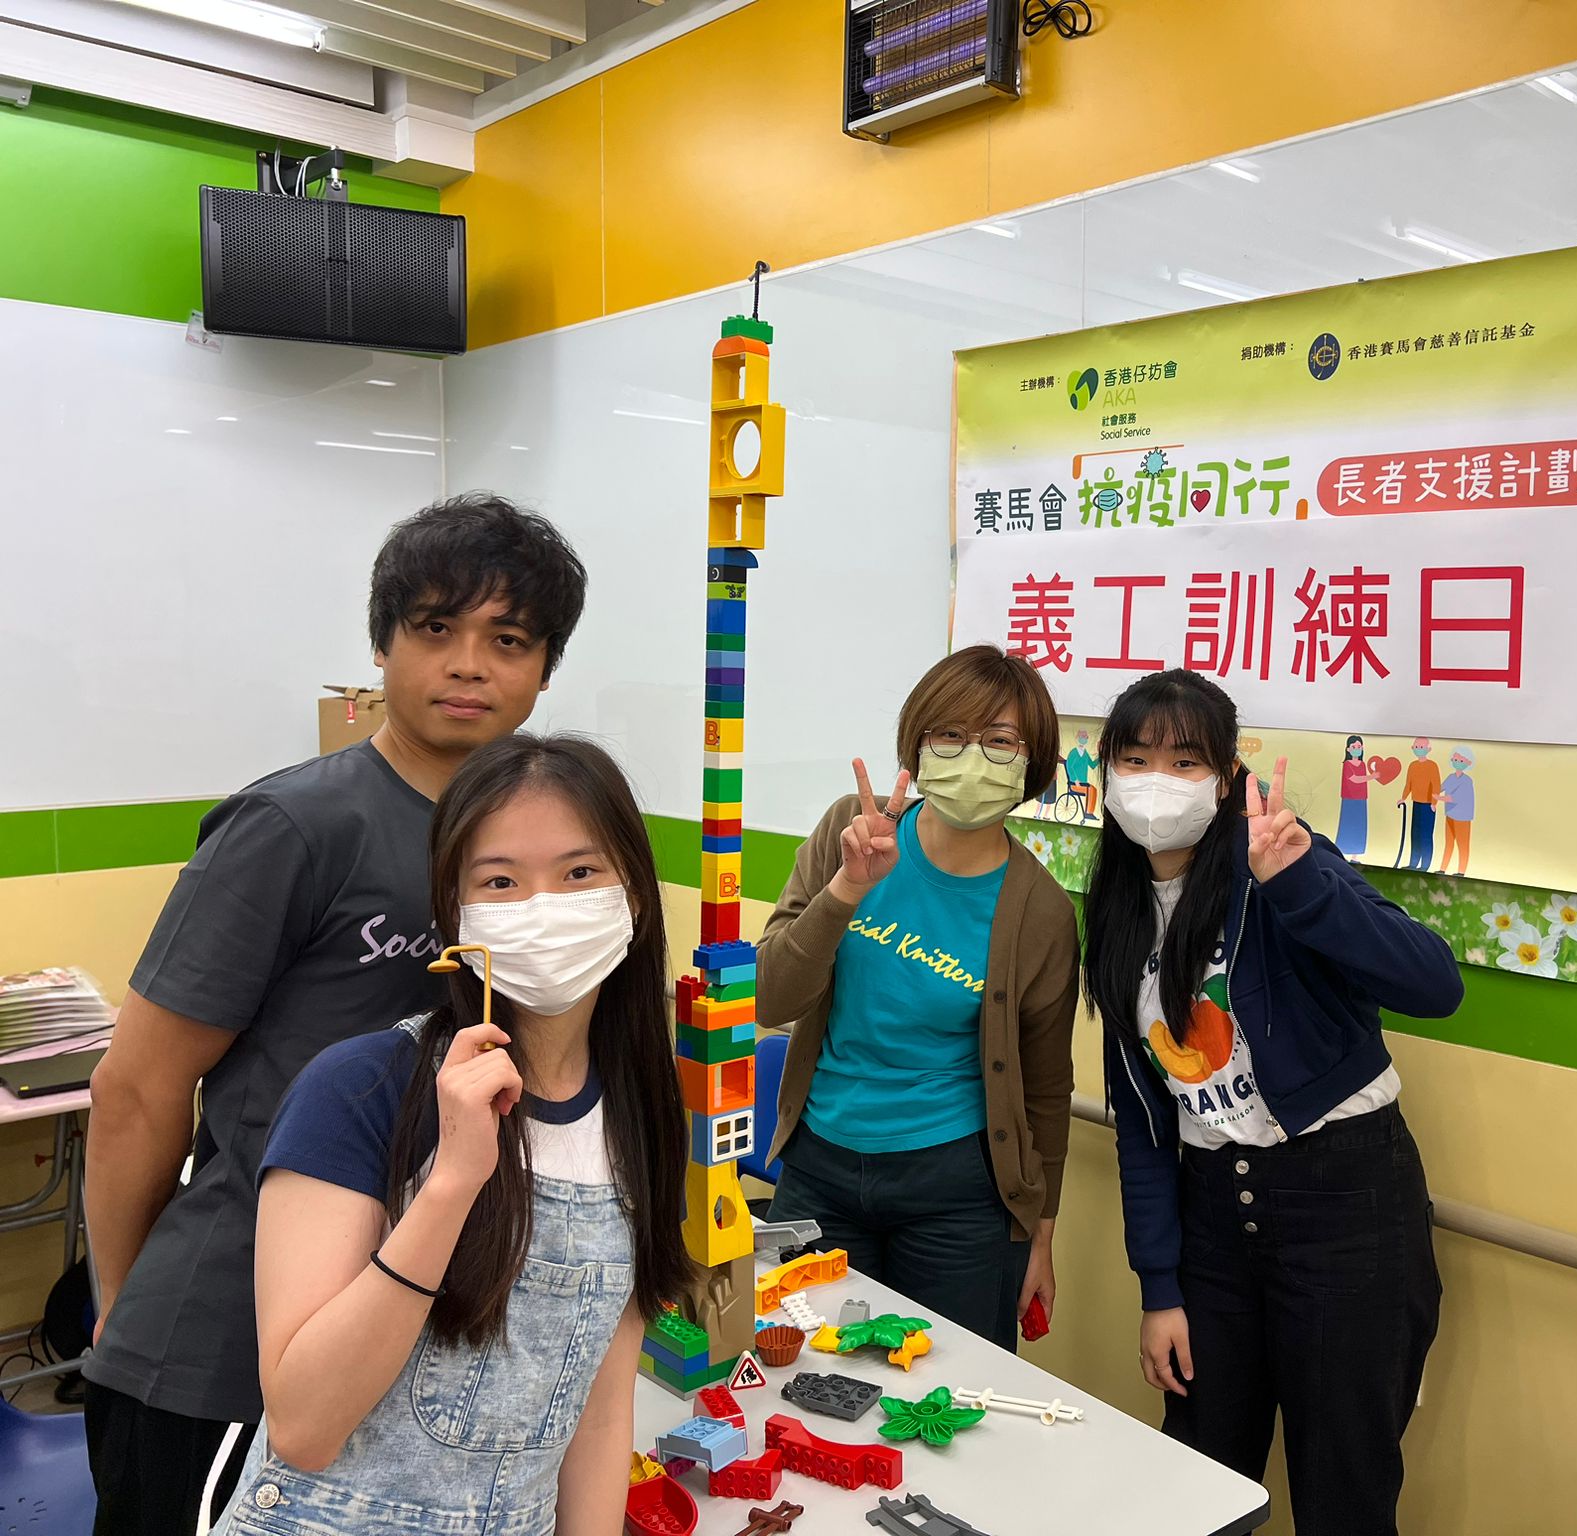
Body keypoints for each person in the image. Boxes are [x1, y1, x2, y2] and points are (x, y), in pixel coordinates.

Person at [83, 495, 588, 1536]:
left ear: (545, 672)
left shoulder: (530, 845)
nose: (467, 665)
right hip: (219, 1350)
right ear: (381, 642)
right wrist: (128, 1310)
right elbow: (135, 1089)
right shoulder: (298, 826)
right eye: (434, 628)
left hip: (398, 1331)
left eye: (508, 640)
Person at [207, 732, 688, 1535]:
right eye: (500, 880)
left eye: (579, 872)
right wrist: (452, 1183)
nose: (543, 906)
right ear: (454, 916)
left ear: (633, 894)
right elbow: (304, 1426)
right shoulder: (360, 1088)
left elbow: (598, 1417)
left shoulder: (642, 1110)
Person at [1083, 669, 1463, 1536]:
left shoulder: (1282, 862)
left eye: (1185, 762)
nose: (1156, 782)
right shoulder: (1113, 909)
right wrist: (1160, 1286)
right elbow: (1145, 1127)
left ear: (1227, 775)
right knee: (1199, 1486)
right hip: (1212, 1219)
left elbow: (1434, 985)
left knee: (1344, 1493)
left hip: (1348, 1207)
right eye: (1135, 759)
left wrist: (1299, 886)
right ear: (1104, 777)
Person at [758, 645, 1079, 1350]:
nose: (972, 758)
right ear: (918, 744)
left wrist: (1040, 1239)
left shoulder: (1043, 911)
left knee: (950, 1395)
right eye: (951, 735)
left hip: (959, 1193)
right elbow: (769, 996)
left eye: (1000, 742)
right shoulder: (852, 829)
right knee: (800, 1371)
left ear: (1031, 763)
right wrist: (847, 888)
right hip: (820, 1168)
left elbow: (1048, 1093)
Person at [1399, 736, 1440, 871]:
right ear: (1413, 748)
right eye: (1416, 746)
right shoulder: (1413, 765)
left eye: (1422, 747)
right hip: (1416, 804)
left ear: (1428, 749)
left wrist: (1434, 802)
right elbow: (1408, 784)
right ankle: (1413, 863)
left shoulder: (1432, 766)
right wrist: (1403, 798)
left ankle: (1425, 866)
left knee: (1426, 836)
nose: (1419, 749)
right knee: (1415, 834)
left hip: (1428, 806)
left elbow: (1436, 785)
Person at [1437, 746, 1476, 877]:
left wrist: (1440, 798)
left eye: (1460, 760)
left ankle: (1461, 871)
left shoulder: (1467, 781)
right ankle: (1442, 869)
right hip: (1450, 815)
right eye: (1455, 759)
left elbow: (1455, 798)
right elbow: (1440, 787)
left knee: (1462, 845)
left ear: (1468, 763)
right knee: (1448, 843)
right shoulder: (1451, 777)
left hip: (1462, 818)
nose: (1456, 762)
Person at [1336, 734, 1371, 857]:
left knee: (1359, 826)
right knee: (1348, 824)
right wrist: (1372, 776)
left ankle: (1355, 855)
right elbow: (1354, 779)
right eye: (1354, 746)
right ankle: (1343, 851)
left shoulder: (1362, 764)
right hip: (1349, 798)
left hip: (1361, 798)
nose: (1357, 749)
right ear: (1348, 749)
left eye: (1359, 746)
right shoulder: (1347, 764)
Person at [1065, 728, 1100, 821]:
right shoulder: (1073, 752)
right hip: (1074, 784)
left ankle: (1089, 812)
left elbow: (1092, 765)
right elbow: (1069, 766)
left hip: (1083, 783)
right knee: (1091, 790)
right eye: (1082, 736)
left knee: (1093, 789)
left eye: (1085, 737)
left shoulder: (1085, 753)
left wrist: (1100, 756)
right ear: (1078, 737)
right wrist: (1075, 780)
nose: (1084, 738)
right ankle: (1088, 813)